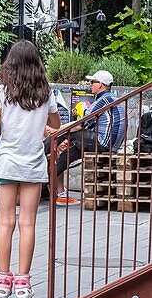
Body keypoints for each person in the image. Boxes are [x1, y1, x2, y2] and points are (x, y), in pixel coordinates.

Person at [0, 40, 60, 298]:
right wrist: (41, 127)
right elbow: (55, 126)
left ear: (10, 63)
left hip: (7, 161)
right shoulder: (46, 94)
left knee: (5, 222)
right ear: (37, 63)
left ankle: (1, 285)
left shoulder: (3, 92)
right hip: (33, 163)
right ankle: (23, 287)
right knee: (28, 223)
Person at [53, 70, 126, 204]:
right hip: (111, 144)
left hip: (104, 143)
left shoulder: (102, 101)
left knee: (70, 135)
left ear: (101, 85)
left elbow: (80, 125)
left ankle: (40, 150)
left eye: (92, 82)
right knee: (72, 150)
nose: (89, 84)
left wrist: (57, 131)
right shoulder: (112, 99)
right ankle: (55, 188)